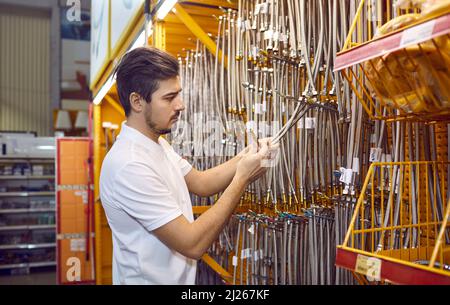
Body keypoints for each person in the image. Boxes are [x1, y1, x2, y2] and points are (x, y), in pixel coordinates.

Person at [100, 47, 277, 284]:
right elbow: (192, 243)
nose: (180, 105)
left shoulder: (156, 145)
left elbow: (201, 183)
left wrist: (247, 156)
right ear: (137, 101)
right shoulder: (129, 165)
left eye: (178, 94)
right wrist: (242, 178)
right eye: (169, 98)